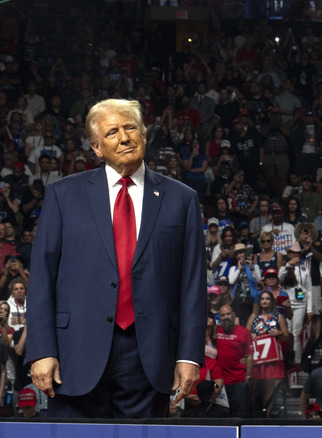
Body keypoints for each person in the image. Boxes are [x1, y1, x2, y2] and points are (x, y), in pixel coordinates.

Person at [26, 99, 206, 418]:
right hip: (74, 353)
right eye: (112, 132)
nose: (124, 137)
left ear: (144, 134)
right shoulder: (63, 195)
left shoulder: (182, 199)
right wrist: (41, 350)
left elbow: (193, 284)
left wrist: (190, 356)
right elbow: (41, 278)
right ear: (97, 147)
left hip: (150, 355)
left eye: (130, 127)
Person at [245, 290, 289, 417]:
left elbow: (286, 336)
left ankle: (267, 417)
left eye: (267, 299)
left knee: (269, 390)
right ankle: (251, 414)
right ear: (259, 302)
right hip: (256, 357)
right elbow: (245, 335)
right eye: (262, 299)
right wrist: (250, 335)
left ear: (271, 302)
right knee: (252, 387)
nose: (264, 301)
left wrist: (279, 333)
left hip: (272, 357)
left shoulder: (278, 316)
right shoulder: (253, 316)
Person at [215, 305, 252, 418]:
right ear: (219, 318)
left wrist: (248, 377)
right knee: (222, 416)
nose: (226, 317)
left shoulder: (244, 332)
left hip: (239, 380)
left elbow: (250, 356)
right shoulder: (215, 331)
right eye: (223, 315)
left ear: (234, 315)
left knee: (240, 416)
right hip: (220, 381)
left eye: (228, 314)